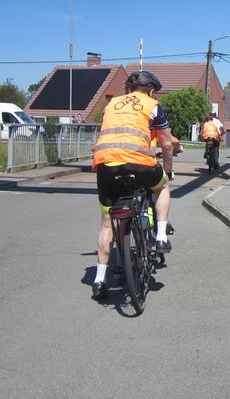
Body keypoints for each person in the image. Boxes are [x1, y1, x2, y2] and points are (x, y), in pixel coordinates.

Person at [91, 70, 174, 300]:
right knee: (163, 186)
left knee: (108, 223)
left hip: (106, 162)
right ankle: (160, 237)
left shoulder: (111, 105)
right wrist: (167, 171)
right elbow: (166, 145)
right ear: (151, 90)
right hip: (139, 160)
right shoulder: (153, 105)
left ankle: (99, 280)